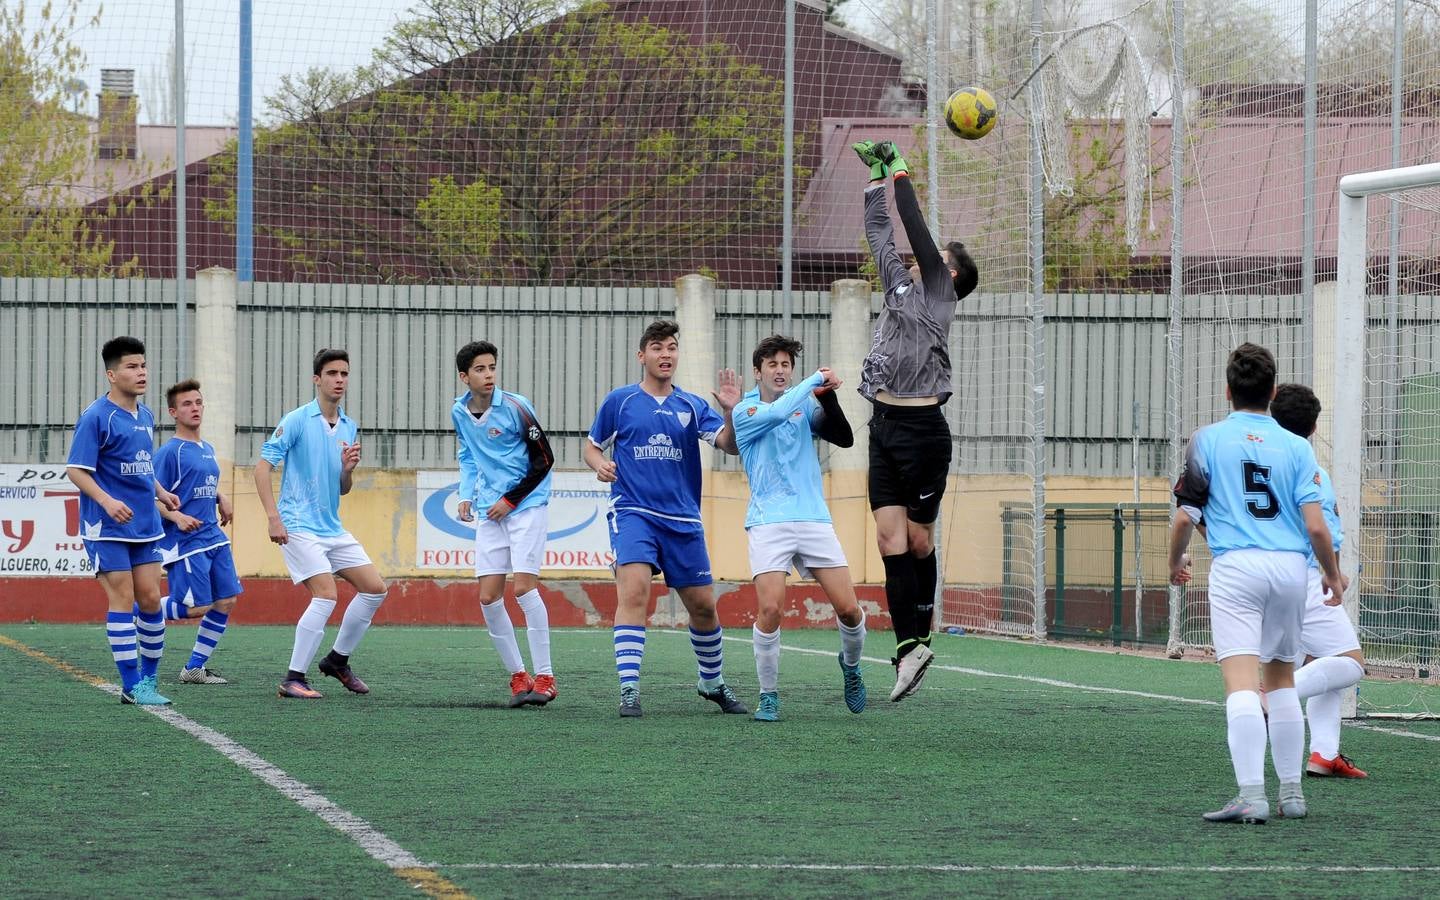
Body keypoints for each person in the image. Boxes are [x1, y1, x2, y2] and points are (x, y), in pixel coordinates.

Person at [1168, 343, 1346, 824]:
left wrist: (1174, 563)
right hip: (1290, 570)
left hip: (1237, 569)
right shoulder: (1298, 446)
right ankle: (1292, 794)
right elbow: (1315, 527)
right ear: (1271, 392)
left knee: (1242, 685)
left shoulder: (1205, 440)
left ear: (1228, 391)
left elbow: (1186, 517)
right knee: (1282, 681)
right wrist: (1331, 575)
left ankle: (1252, 795)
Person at [851, 139, 978, 701]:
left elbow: (914, 227)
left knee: (920, 543)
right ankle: (908, 651)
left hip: (925, 432)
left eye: (940, 259)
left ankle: (920, 634)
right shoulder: (899, 286)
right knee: (888, 539)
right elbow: (882, 234)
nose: (928, 258)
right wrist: (876, 178)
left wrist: (901, 170)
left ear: (949, 277)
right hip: (884, 425)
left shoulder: (939, 293)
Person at [584, 319, 747, 718]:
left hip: (683, 521)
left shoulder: (691, 405)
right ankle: (629, 690)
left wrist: (730, 412)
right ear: (642, 356)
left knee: (704, 607)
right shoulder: (620, 401)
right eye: (657, 347)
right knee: (634, 591)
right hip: (633, 512)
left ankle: (711, 683)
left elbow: (729, 445)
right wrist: (599, 464)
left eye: (671, 347)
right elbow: (590, 446)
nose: (665, 354)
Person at [731, 335, 867, 722]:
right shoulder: (745, 411)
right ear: (757, 372)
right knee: (771, 608)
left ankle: (852, 667)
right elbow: (776, 415)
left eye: (785, 365)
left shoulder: (804, 405)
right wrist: (813, 380)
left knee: (850, 610)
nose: (779, 371)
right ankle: (768, 695)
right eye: (772, 364)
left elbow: (843, 436)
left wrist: (826, 396)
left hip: (812, 518)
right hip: (767, 521)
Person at [254, 348, 388, 700]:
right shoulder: (297, 419)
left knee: (375, 588)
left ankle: (337, 661)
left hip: (331, 526)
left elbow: (342, 488)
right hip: (298, 524)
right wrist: (273, 517)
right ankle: (293, 677)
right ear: (317, 379)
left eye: (344, 374)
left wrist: (347, 470)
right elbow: (262, 468)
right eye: (332, 374)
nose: (339, 380)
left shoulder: (348, 425)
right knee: (326, 595)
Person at [65, 336, 181, 705]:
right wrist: (107, 500)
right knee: (123, 596)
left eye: (143, 365)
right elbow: (76, 471)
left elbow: (142, 467)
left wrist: (161, 493)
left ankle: (148, 682)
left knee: (149, 598)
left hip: (145, 524)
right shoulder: (96, 416)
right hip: (107, 526)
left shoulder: (144, 416)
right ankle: (130, 684)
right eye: (132, 366)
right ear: (112, 375)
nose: (141, 372)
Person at [451, 340, 559, 707]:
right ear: (465, 377)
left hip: (526, 505)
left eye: (492, 367)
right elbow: (467, 454)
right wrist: (466, 494)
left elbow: (545, 459)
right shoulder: (459, 412)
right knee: (488, 597)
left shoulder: (516, 406)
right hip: (489, 510)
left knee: (524, 589)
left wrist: (510, 500)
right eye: (480, 370)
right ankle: (519, 676)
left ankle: (545, 676)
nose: (489, 376)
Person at [1270, 383, 1368, 778]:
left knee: (1319, 659)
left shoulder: (1258, 464)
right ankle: (1274, 698)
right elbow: (1326, 529)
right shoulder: (1310, 470)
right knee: (1350, 663)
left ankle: (1324, 754)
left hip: (1257, 576)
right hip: (1304, 577)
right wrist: (1334, 575)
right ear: (1313, 428)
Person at [152, 380, 242, 684]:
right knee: (197, 606)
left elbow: (202, 484)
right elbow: (150, 498)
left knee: (226, 600)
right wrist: (175, 516)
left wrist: (221, 497)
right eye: (187, 404)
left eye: (198, 402)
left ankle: (194, 668)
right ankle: (141, 608)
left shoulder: (207, 448)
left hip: (213, 536)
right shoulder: (169, 453)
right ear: (173, 412)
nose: (195, 408)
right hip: (186, 541)